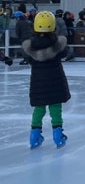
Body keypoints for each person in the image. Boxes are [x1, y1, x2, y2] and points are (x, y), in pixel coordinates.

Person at [23, 10, 71, 149]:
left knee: (39, 109)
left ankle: (34, 136)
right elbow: (65, 52)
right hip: (55, 83)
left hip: (38, 84)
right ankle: (58, 135)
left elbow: (28, 59)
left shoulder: (31, 46)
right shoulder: (57, 44)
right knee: (55, 108)